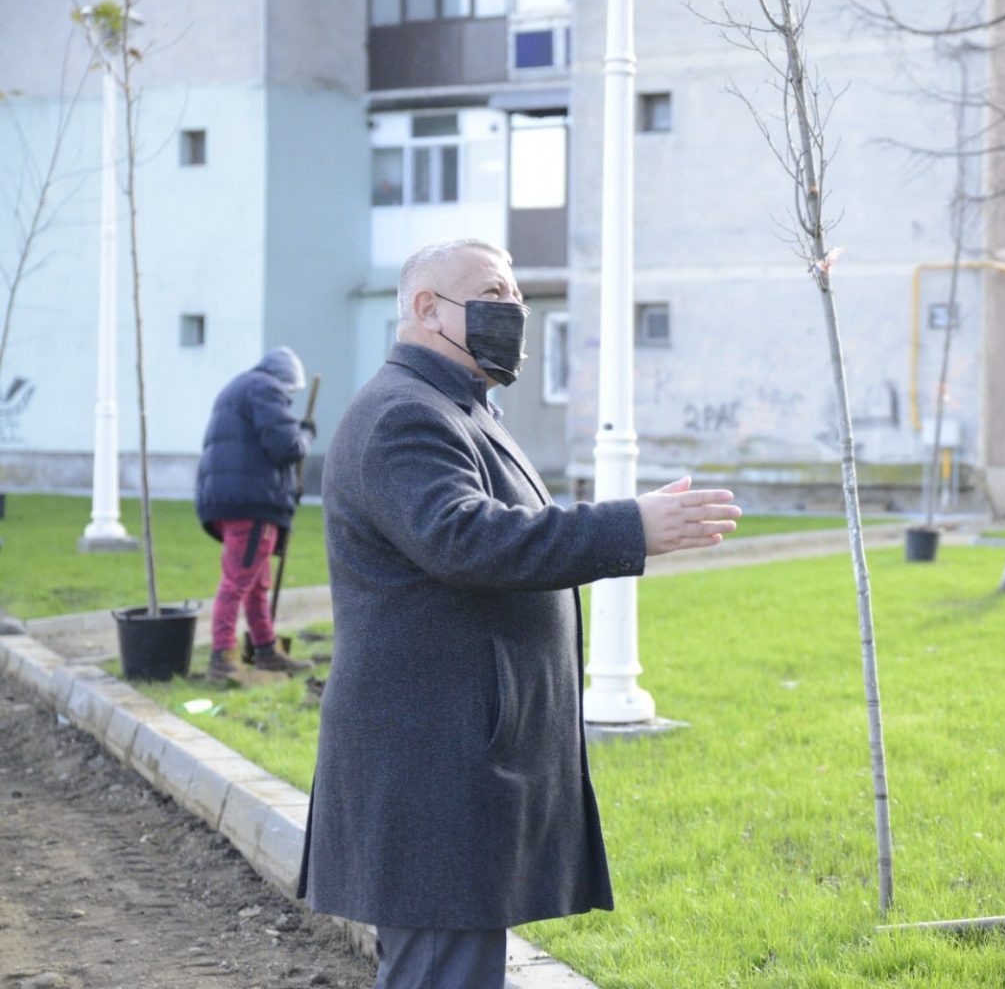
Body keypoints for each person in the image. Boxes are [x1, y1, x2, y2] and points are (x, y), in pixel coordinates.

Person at [299, 238, 742, 989]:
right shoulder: (404, 416)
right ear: (426, 308)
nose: (513, 311)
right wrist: (628, 527)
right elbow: (469, 540)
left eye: (517, 297)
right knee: (442, 971)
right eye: (493, 295)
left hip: (457, 754)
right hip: (432, 764)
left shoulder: (457, 408)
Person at [194, 346, 316, 681]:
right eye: (291, 392)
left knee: (255, 582)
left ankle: (265, 650)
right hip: (252, 502)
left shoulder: (236, 388)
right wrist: (306, 433)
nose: (289, 398)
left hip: (226, 499)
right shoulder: (267, 389)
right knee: (237, 580)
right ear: (286, 381)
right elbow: (287, 446)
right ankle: (222, 656)